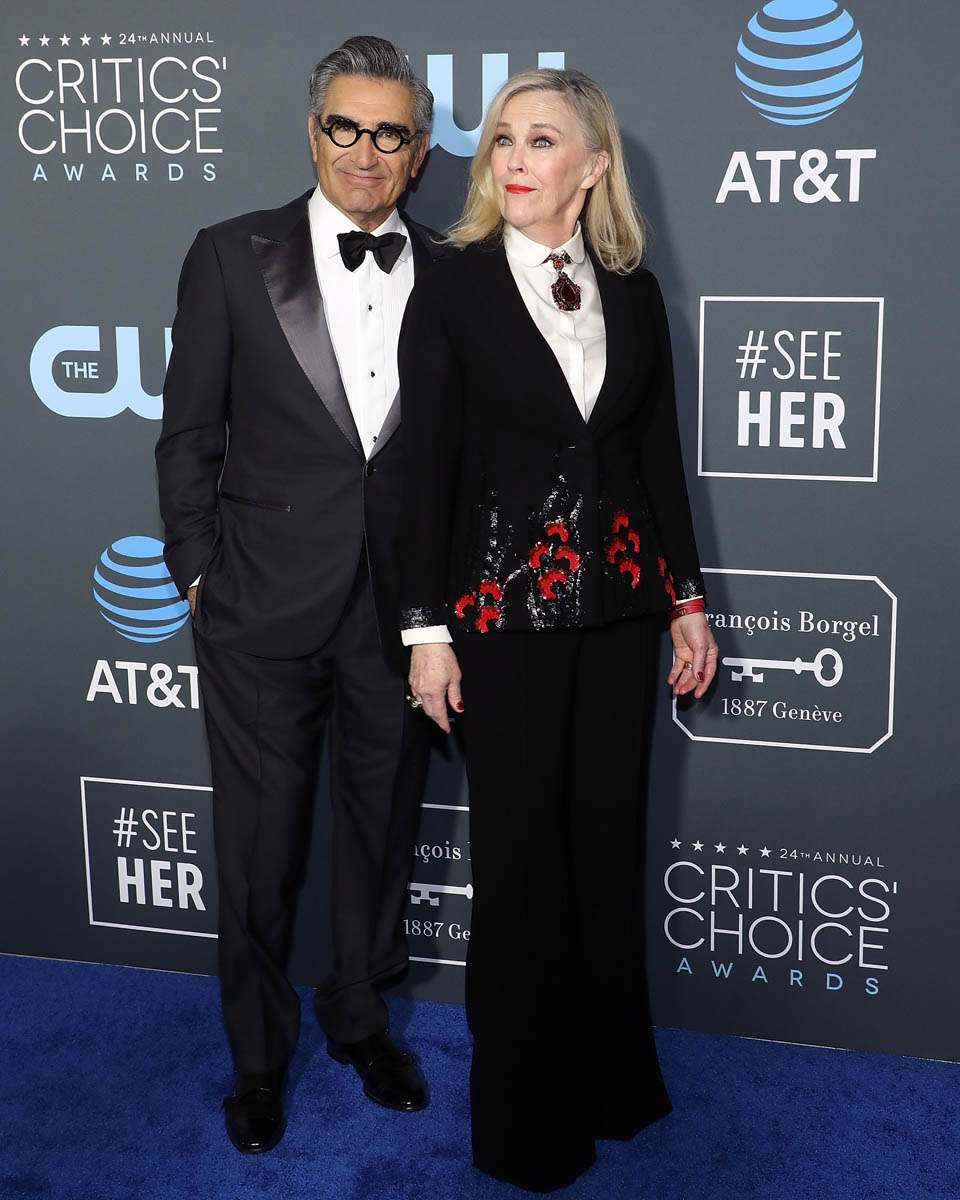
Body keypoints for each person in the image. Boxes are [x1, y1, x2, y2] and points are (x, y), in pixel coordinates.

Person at [397, 68, 718, 1192]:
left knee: (604, 849)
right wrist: (425, 630)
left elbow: (654, 459)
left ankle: (612, 1087)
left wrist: (686, 599)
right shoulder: (454, 286)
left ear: (593, 165)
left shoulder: (633, 291)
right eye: (502, 139)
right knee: (522, 865)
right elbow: (427, 470)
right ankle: (525, 1127)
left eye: (542, 139)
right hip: (501, 620)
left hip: (620, 615)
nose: (514, 158)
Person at [155, 35, 444, 1154]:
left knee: (382, 833)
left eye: (389, 133)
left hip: (404, 618)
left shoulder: (459, 272)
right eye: (344, 126)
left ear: (419, 152)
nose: (365, 151)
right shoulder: (231, 254)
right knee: (258, 850)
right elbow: (188, 433)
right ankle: (259, 1059)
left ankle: (362, 1021)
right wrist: (199, 575)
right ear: (312, 132)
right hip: (259, 609)